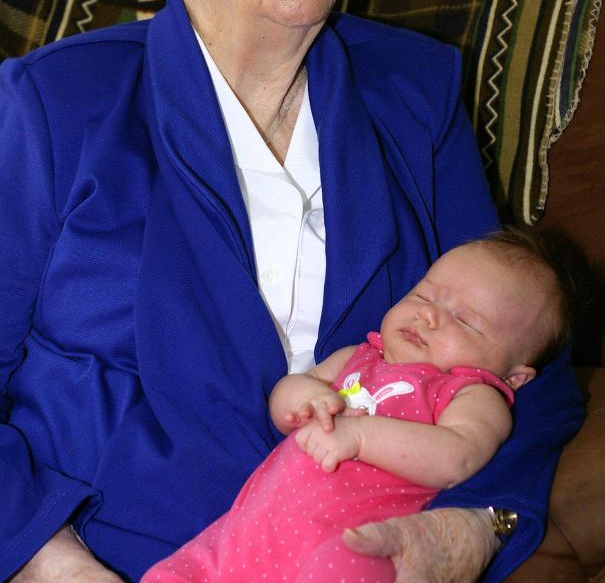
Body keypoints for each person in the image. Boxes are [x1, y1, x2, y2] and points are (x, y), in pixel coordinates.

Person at [0, 0, 583, 583]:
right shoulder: (56, 108)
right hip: (113, 555)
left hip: (344, 557)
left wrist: (477, 528)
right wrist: (48, 564)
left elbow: (526, 347)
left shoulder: (412, 93)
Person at [141, 231, 573, 582]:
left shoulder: (470, 393)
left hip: (338, 544)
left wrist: (361, 435)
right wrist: (300, 400)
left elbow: (458, 455)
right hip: (245, 535)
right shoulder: (357, 357)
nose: (428, 316)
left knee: (351, 563)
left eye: (465, 320)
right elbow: (291, 392)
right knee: (172, 571)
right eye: (424, 296)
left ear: (515, 376)